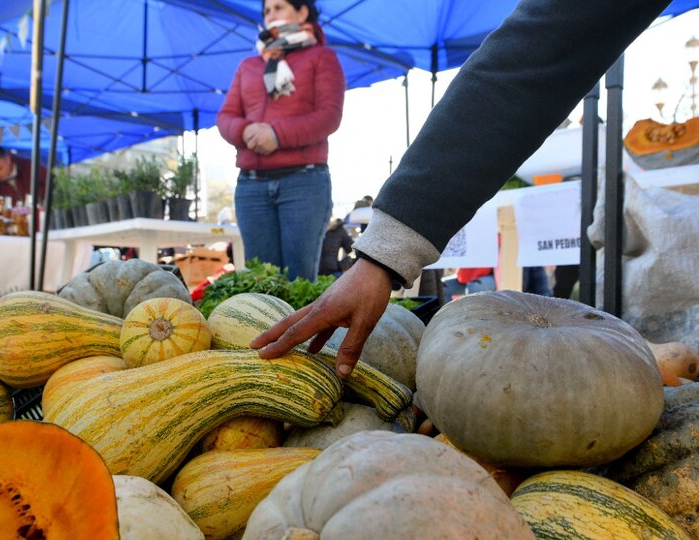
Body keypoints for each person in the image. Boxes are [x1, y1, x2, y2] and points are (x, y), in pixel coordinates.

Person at [251, 0, 674, 377]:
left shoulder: (319, 59)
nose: (270, 16)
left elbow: (528, 62)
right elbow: (533, 57)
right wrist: (380, 257)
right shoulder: (255, 64)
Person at [216, 0, 344, 281]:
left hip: (304, 184)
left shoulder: (321, 57)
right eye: (267, 11)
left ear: (302, 12)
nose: (271, 15)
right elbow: (225, 117)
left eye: (279, 7)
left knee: (298, 279)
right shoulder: (248, 65)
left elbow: (328, 116)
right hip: (251, 186)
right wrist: (245, 130)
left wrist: (277, 134)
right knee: (261, 281)